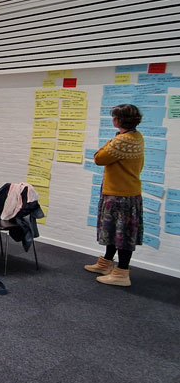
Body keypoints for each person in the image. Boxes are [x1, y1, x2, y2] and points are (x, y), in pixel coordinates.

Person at [84, 104, 144, 287]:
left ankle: (121, 273)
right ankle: (106, 263)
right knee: (113, 231)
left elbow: (99, 158)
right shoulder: (136, 136)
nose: (113, 119)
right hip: (122, 192)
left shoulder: (121, 140)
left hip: (121, 195)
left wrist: (113, 139)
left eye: (114, 117)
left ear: (119, 120)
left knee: (122, 234)